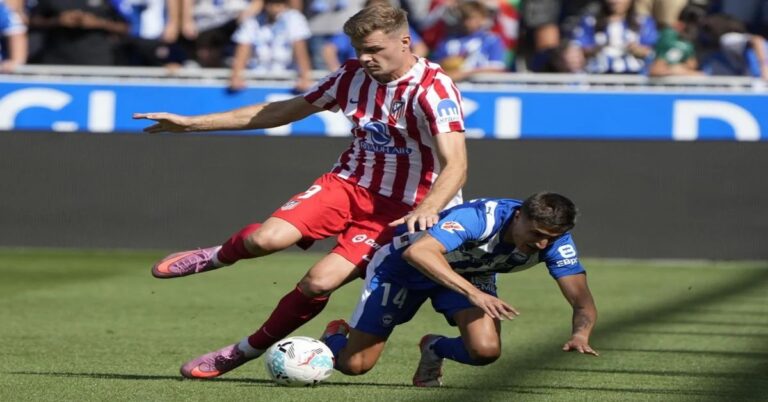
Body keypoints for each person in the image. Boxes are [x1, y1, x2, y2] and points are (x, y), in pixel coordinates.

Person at [133, 2, 467, 380]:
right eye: (359, 50)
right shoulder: (351, 75)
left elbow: (456, 163)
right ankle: (217, 255)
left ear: (405, 42)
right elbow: (285, 110)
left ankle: (243, 350)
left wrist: (430, 208)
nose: (365, 58)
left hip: (400, 210)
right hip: (349, 184)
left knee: (318, 282)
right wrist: (193, 124)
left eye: (374, 50)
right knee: (265, 240)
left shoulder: (433, 88)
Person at [319, 192, 598, 387]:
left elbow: (581, 300)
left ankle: (434, 347)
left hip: (470, 275)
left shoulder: (557, 243)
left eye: (551, 238)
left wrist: (580, 334)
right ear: (517, 216)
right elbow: (419, 253)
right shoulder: (479, 218)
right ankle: (333, 337)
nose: (542, 245)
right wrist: (474, 294)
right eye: (537, 234)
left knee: (485, 350)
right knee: (355, 366)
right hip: (403, 269)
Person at [228, 0, 313, 92]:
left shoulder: (294, 18)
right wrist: (236, 76)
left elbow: (300, 49)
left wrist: (305, 77)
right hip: (256, 76)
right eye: (270, 4)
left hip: (286, 77)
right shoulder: (252, 20)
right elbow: (243, 48)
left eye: (279, 4)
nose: (275, 8)